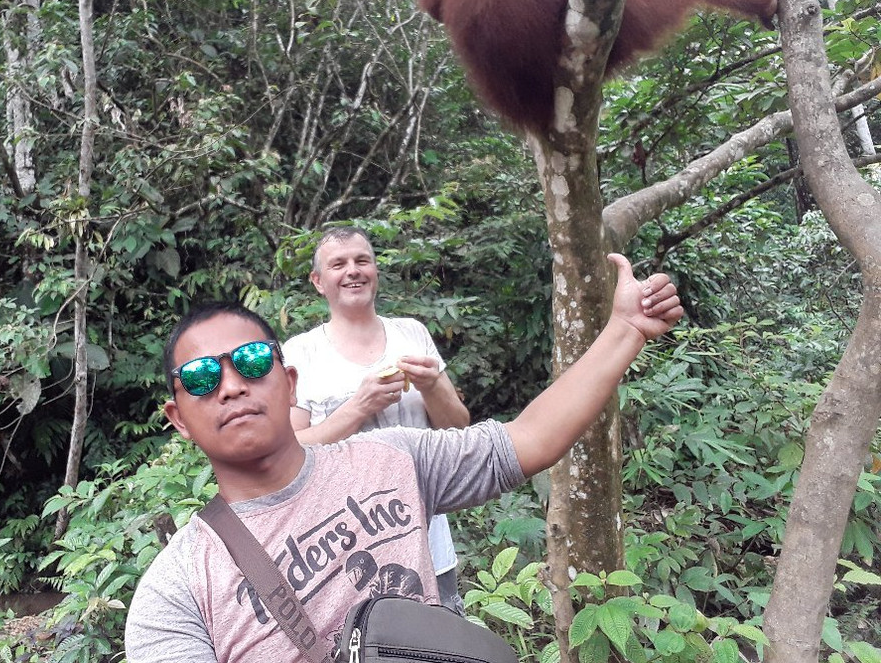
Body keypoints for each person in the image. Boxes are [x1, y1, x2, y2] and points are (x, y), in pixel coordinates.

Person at [125, 254, 682, 663]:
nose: (229, 386)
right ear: (179, 419)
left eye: (249, 361)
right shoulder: (175, 590)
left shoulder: (391, 459)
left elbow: (529, 439)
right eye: (200, 377)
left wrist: (625, 330)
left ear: (288, 380)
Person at [281, 226, 470, 611]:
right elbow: (290, 448)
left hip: (428, 534)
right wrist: (359, 407)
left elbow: (458, 429)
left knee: (444, 643)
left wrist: (433, 385)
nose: (353, 270)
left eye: (362, 260)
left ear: (375, 271)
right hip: (346, 547)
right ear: (319, 282)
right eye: (339, 264)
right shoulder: (301, 352)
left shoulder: (411, 334)